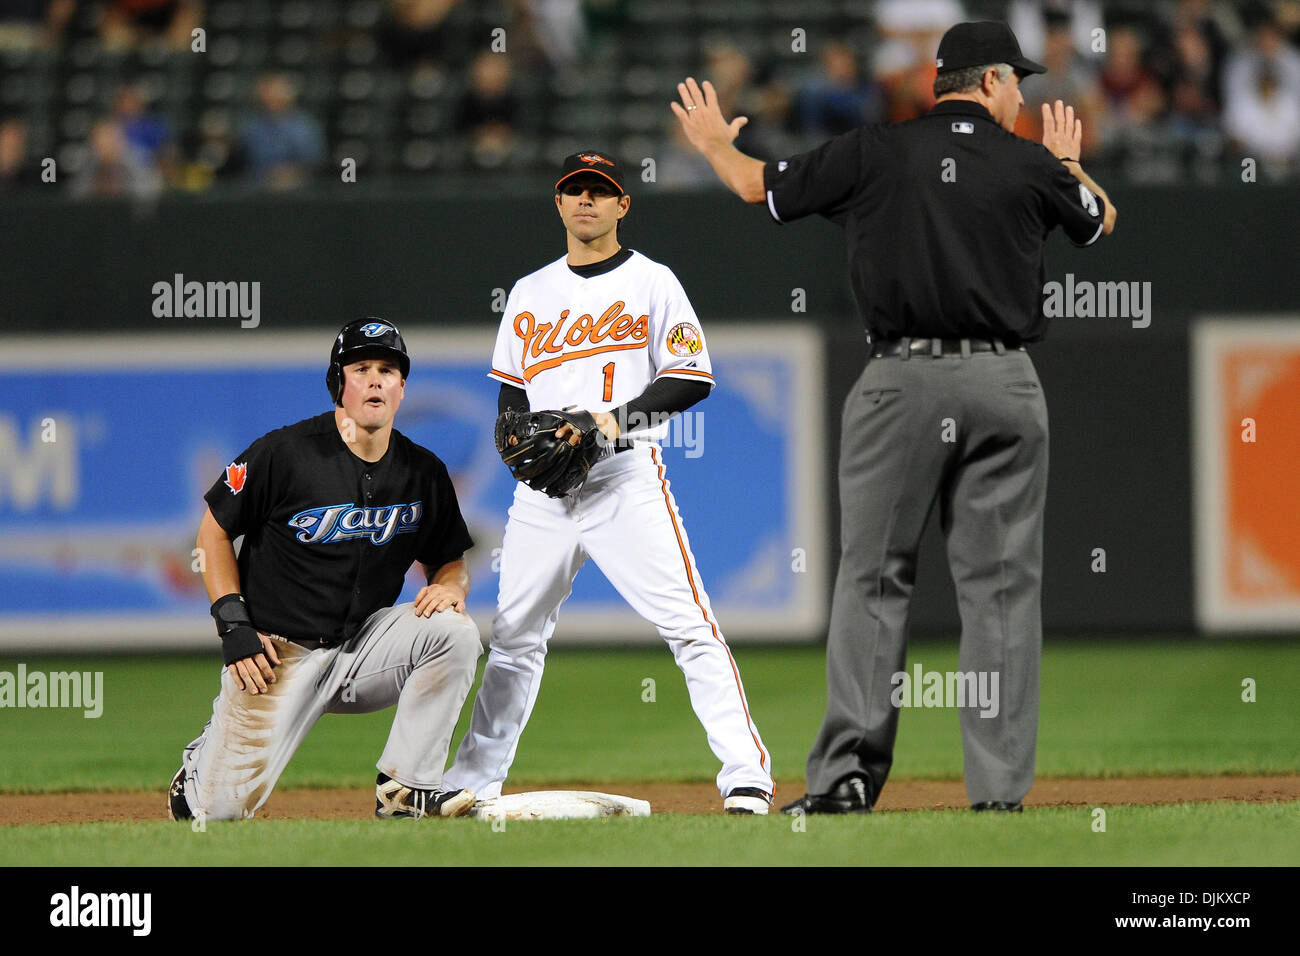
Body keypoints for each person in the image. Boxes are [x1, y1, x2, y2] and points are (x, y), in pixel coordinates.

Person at [672, 20, 1117, 814]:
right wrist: (1070, 162)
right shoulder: (1029, 162)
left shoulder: (874, 150)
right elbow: (1098, 220)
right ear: (984, 84)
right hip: (1006, 384)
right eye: (1013, 80)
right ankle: (999, 795)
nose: (1021, 93)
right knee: (1004, 591)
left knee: (873, 580)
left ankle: (846, 779)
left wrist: (710, 140)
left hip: (900, 380)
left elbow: (752, 186)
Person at [443, 151, 774, 815]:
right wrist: (520, 453)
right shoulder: (530, 292)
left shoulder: (653, 282)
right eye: (574, 191)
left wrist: (609, 425)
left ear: (624, 205)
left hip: (623, 477)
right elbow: (511, 408)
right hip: (541, 496)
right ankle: (471, 783)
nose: (585, 201)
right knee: (513, 642)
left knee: (688, 625)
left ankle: (747, 778)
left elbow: (689, 377)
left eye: (600, 191)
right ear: (559, 204)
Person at [168, 319, 483, 821]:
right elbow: (213, 532)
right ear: (340, 382)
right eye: (362, 368)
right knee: (216, 815)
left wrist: (451, 586)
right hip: (277, 652)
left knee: (455, 633)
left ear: (403, 387)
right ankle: (199, 772)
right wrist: (233, 622)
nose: (376, 380)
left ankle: (406, 791)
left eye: (388, 369)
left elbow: (449, 558)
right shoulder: (284, 452)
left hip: (363, 647)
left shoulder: (424, 472)